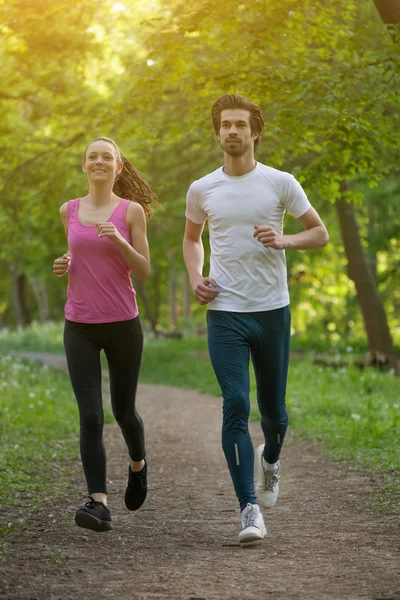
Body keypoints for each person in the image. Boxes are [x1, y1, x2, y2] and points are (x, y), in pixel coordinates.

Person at [183, 94, 329, 545]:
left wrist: (285, 241)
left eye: (239, 125)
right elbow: (191, 240)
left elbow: (319, 233)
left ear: (254, 133)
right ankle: (249, 508)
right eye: (224, 124)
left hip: (271, 310)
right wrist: (196, 277)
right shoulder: (202, 188)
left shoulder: (280, 182)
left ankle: (271, 461)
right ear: (217, 132)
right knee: (235, 405)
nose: (231, 131)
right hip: (225, 312)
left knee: (275, 414)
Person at [53, 136, 158, 532]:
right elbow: (77, 256)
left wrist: (118, 240)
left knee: (123, 412)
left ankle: (138, 464)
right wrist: (65, 263)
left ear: (118, 167)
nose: (99, 161)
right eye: (92, 156)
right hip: (79, 324)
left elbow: (144, 270)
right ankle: (98, 502)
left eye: (106, 157)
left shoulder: (131, 212)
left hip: (122, 324)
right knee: (91, 415)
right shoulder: (69, 210)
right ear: (84, 165)